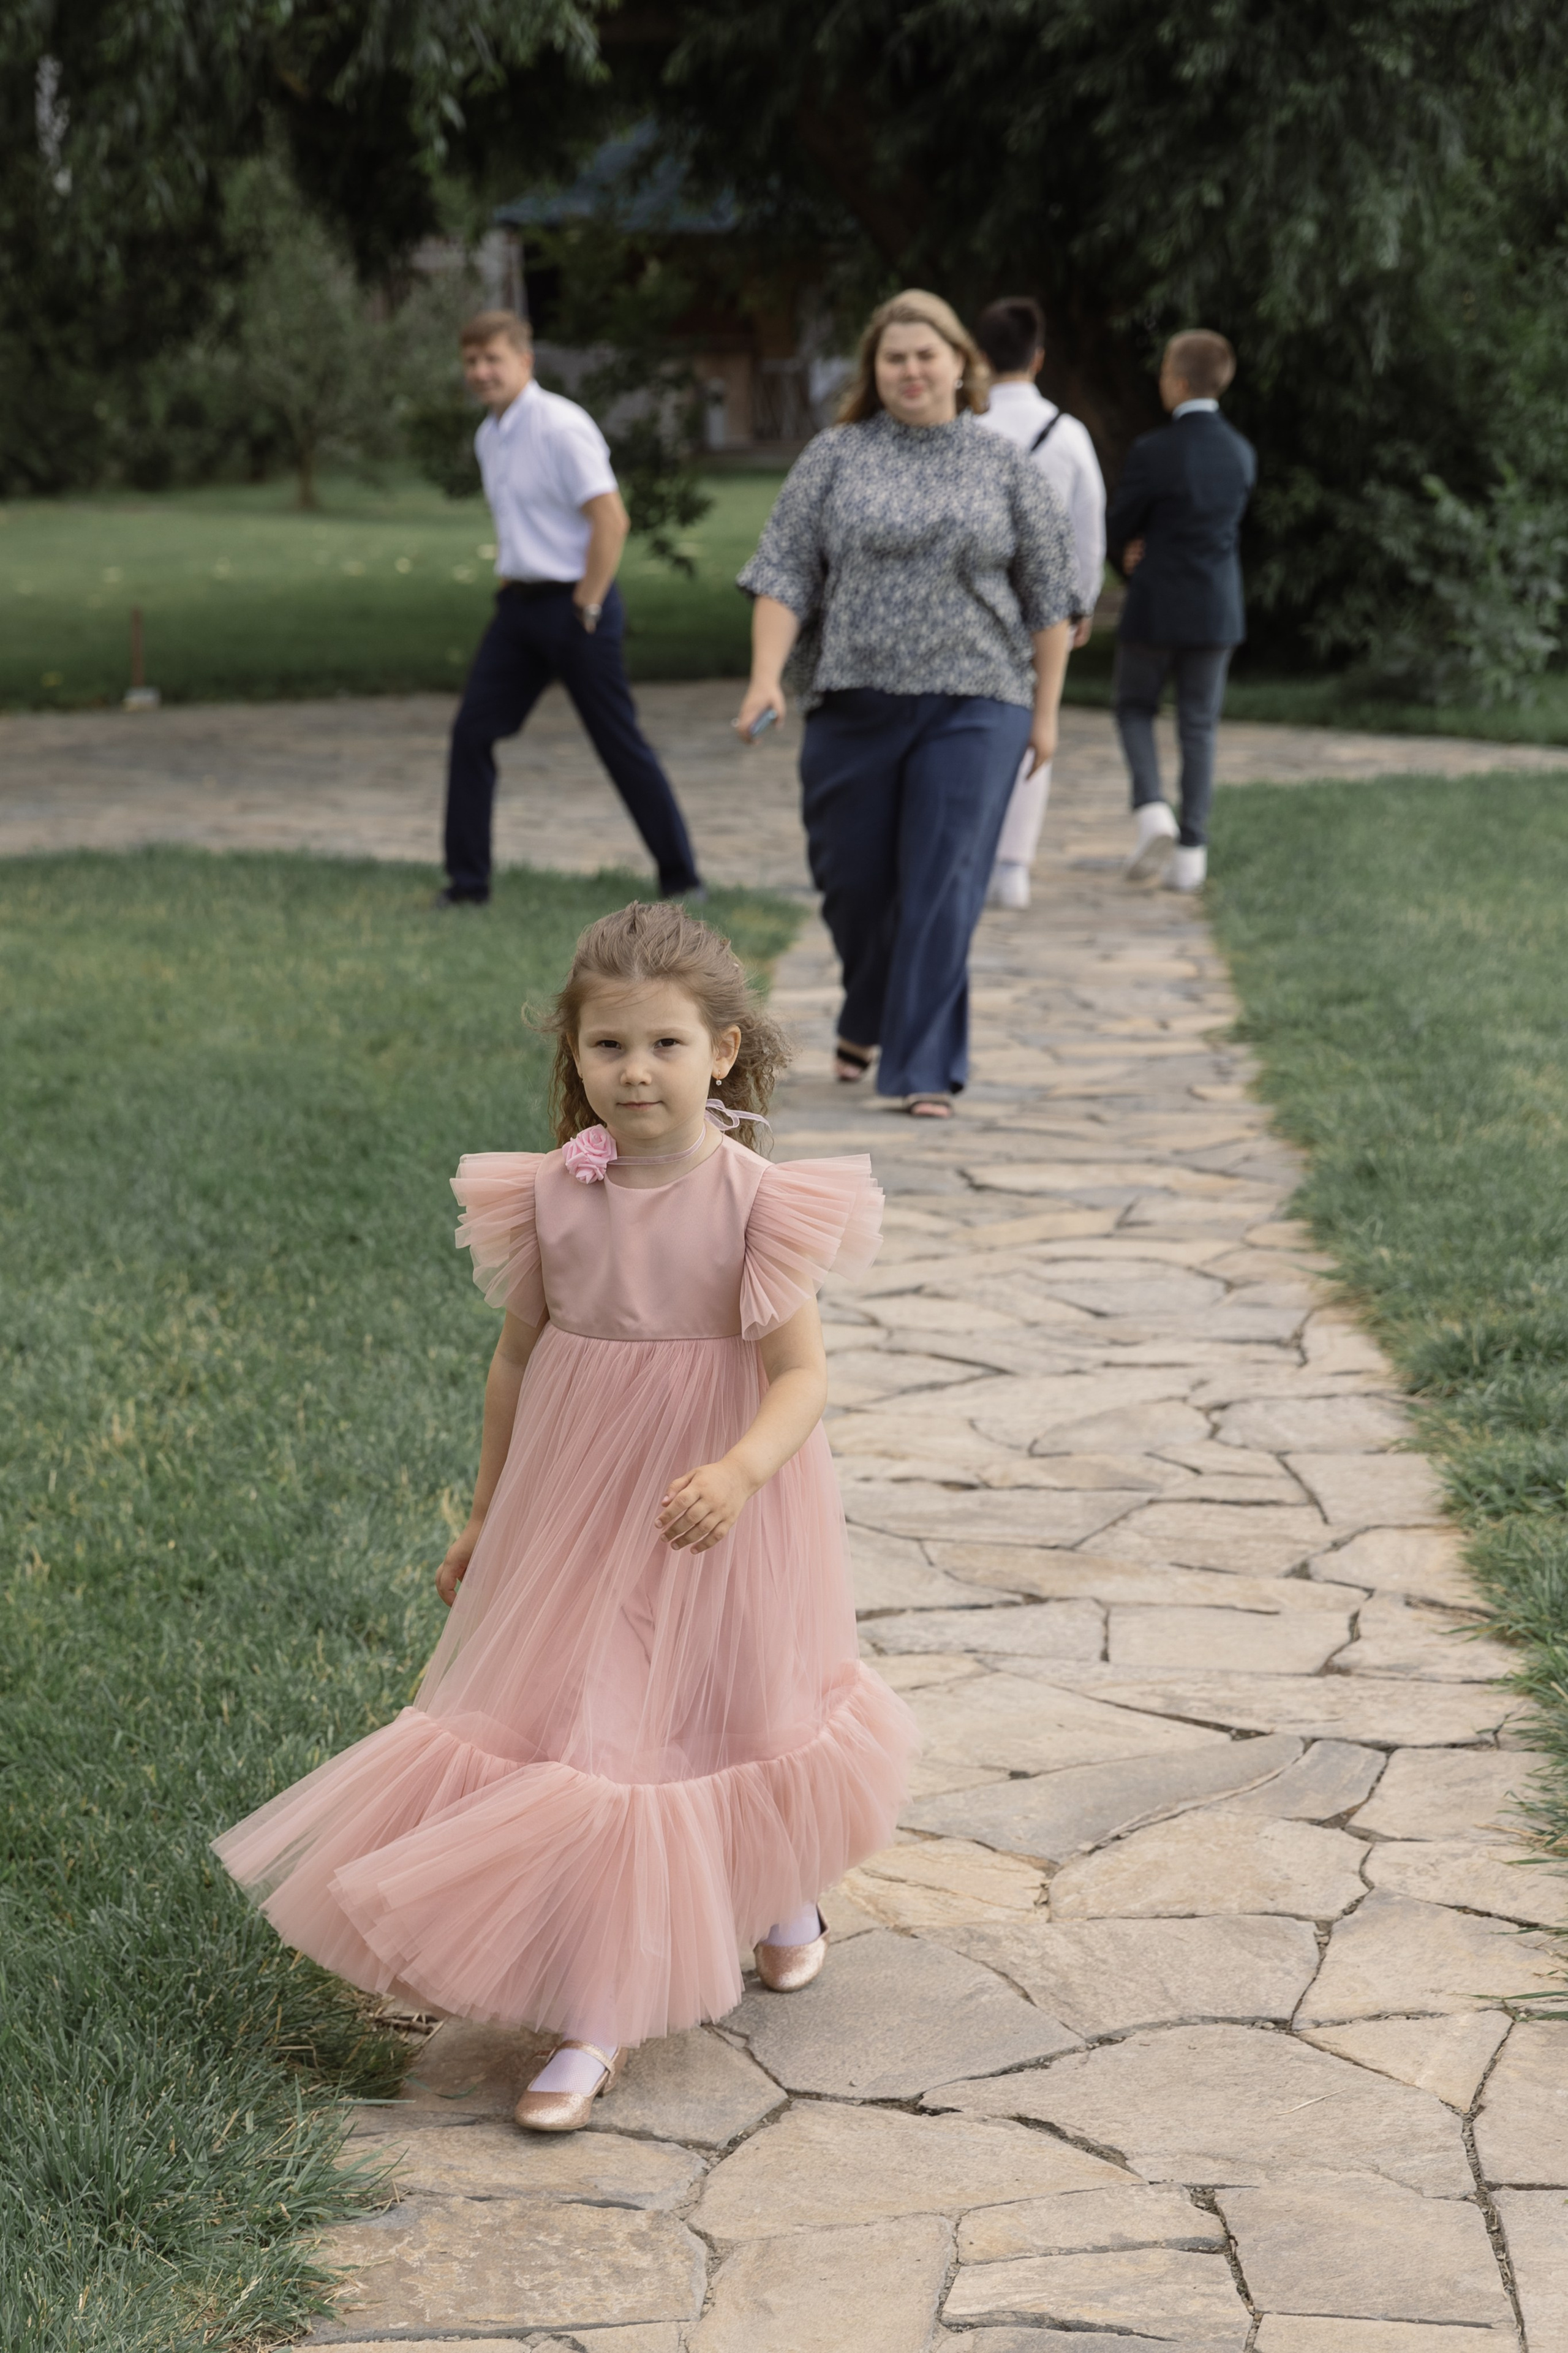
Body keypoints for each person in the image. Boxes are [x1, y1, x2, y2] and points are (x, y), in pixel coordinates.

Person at [213, 902, 915, 2134]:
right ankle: (599, 2007)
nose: (635, 1071)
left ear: (722, 1053)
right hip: (580, 1501)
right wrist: (488, 1515)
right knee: (598, 1728)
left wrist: (739, 1472)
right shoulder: (551, 1193)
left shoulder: (757, 1203)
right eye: (608, 1046)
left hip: (717, 1493)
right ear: (574, 1055)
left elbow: (800, 1377)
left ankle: (781, 1889)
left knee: (741, 1699)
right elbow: (515, 1362)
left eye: (663, 1045)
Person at [734, 289, 1076, 1117]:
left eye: (927, 355)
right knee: (851, 882)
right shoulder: (834, 456)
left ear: (962, 364)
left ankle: (924, 1067)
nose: (912, 370)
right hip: (854, 700)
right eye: (895, 358)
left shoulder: (1005, 466)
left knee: (941, 881)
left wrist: (1045, 714)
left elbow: (1050, 600)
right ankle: (867, 1011)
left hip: (979, 701)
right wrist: (766, 676)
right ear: (874, 370)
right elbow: (784, 571)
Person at [438, 311, 704, 908]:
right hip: (518, 610)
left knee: (618, 742)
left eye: (493, 359)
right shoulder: (489, 436)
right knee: (472, 734)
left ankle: (682, 878)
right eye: (472, 362)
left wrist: (587, 605)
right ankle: (467, 886)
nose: (481, 372)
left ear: (524, 361)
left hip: (579, 606)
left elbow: (611, 520)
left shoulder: (561, 426)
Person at [1106, 328, 1257, 893]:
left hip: (1156, 601)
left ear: (1177, 381)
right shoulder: (1241, 452)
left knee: (1133, 706)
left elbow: (1119, 524)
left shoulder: (1154, 451)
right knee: (1199, 724)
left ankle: (1152, 809)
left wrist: (1130, 552)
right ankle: (1192, 852)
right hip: (1216, 607)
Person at [973, 296, 1106, 910]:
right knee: (1037, 719)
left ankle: (976, 845)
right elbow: (1088, 529)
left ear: (979, 357)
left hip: (974, 598)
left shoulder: (966, 429)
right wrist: (1082, 604)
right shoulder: (1068, 434)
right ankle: (1014, 863)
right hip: (1043, 603)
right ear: (1040, 357)